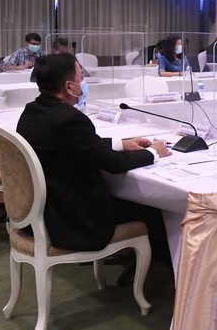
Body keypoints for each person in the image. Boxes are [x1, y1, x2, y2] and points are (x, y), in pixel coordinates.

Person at [16, 53, 171, 262]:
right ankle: (161, 270)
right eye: (81, 77)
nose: (84, 82)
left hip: (44, 212)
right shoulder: (70, 119)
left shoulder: (33, 111)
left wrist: (121, 143)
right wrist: (153, 152)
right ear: (69, 86)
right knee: (154, 208)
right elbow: (114, 164)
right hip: (75, 220)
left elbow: (75, 145)